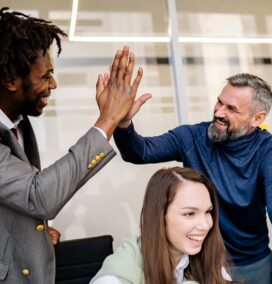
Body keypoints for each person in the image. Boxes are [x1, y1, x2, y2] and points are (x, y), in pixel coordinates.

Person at [0, 7, 149, 283]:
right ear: (10, 81)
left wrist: (37, 231)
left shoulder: (19, 123)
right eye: (45, 76)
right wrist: (106, 121)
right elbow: (38, 196)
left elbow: (15, 198)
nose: (53, 84)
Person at [111, 73, 272, 283]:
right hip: (203, 262)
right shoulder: (192, 137)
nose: (219, 112)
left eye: (231, 109)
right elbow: (140, 152)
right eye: (220, 102)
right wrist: (124, 123)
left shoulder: (271, 154)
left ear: (257, 118)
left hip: (252, 267)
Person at [91, 167, 232, 284]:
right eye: (189, 213)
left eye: (208, 211)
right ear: (159, 217)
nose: (206, 225)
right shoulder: (116, 276)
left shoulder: (207, 258)